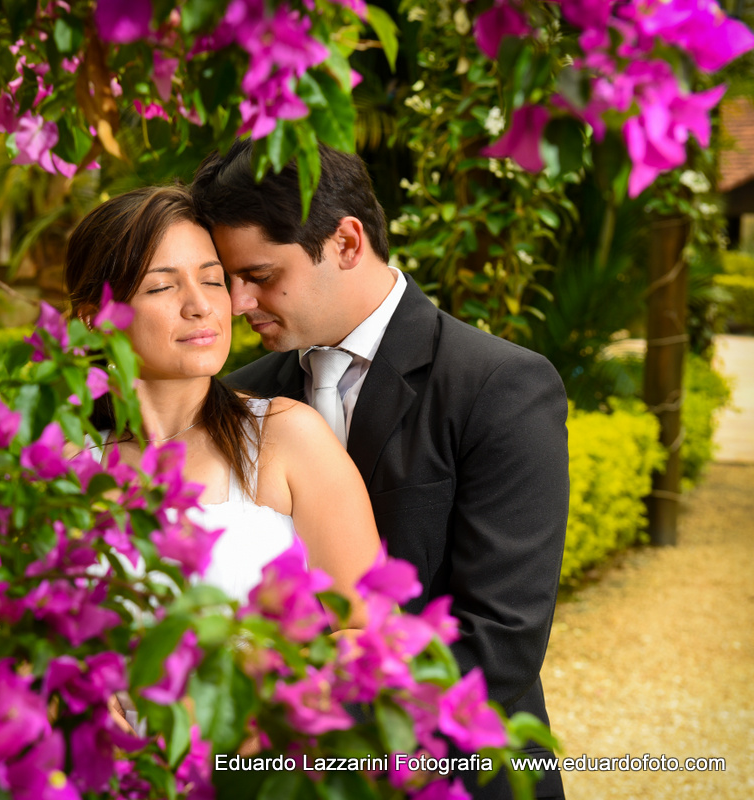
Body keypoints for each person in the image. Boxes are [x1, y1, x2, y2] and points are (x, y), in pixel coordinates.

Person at [191, 141, 568, 800]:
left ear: (345, 242)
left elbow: (500, 643)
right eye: (231, 278)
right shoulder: (241, 400)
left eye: (259, 273)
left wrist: (293, 724)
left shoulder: (500, 387)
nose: (240, 301)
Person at [64, 184, 380, 622]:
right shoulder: (65, 467)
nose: (201, 306)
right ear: (94, 320)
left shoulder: (287, 438)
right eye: (161, 287)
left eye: (213, 280)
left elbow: (372, 634)